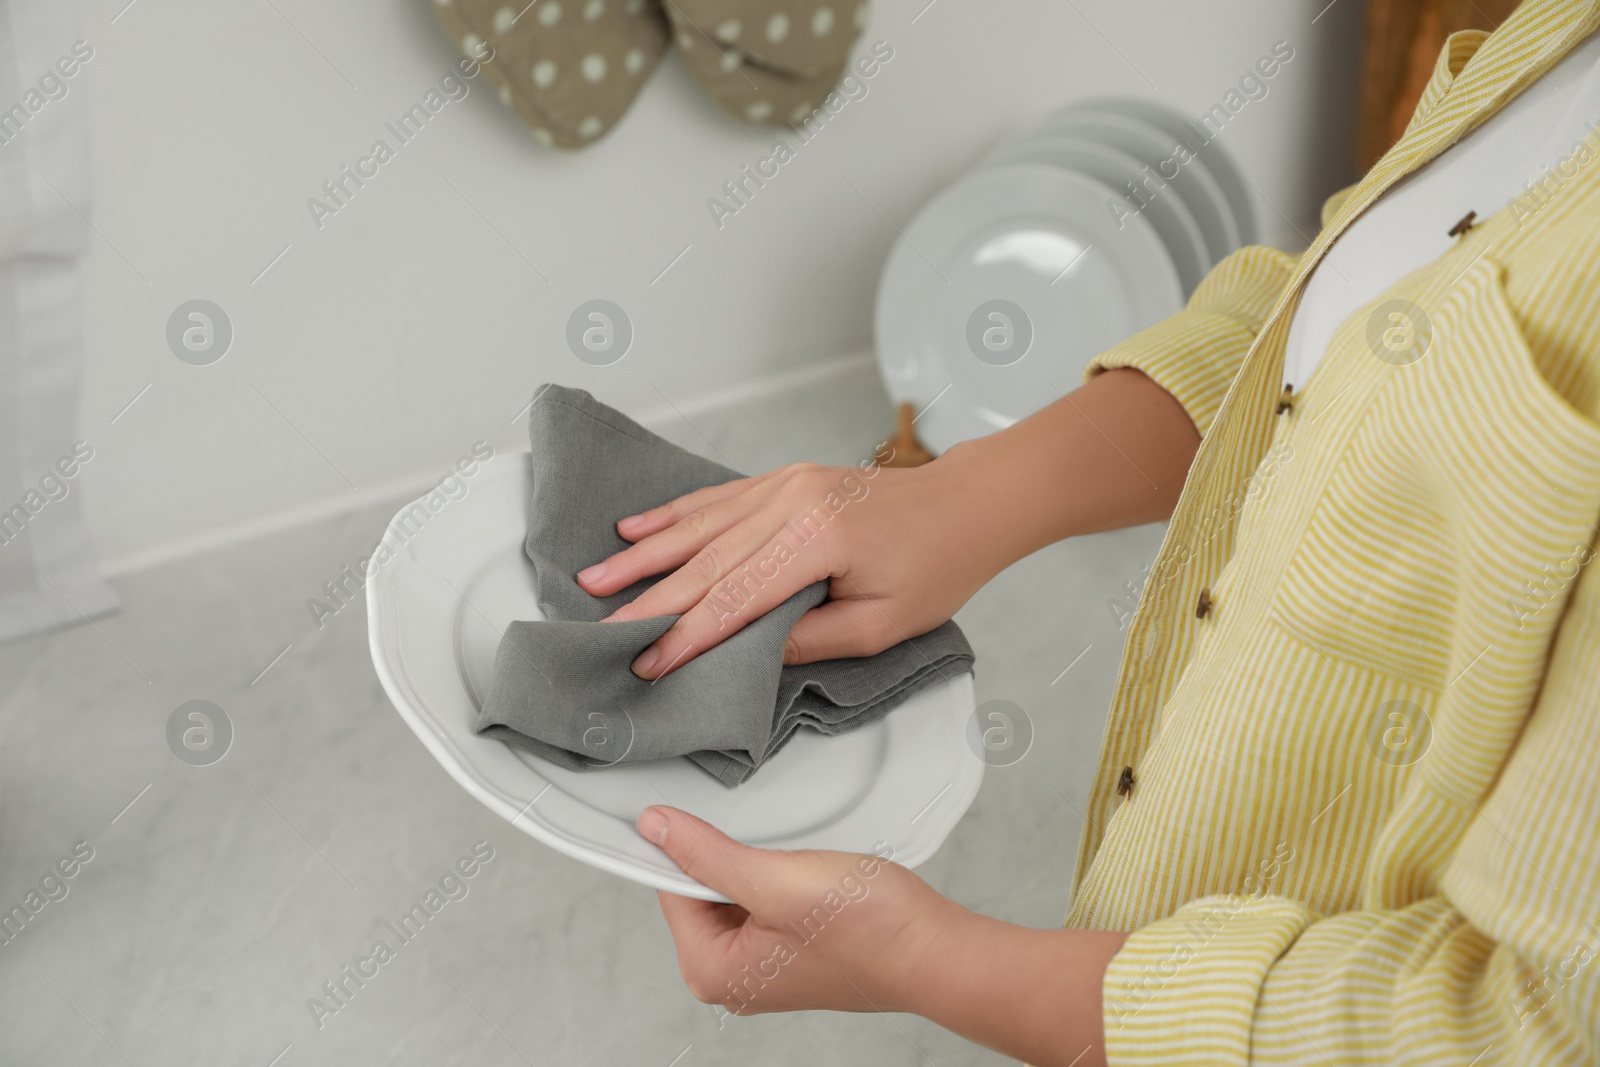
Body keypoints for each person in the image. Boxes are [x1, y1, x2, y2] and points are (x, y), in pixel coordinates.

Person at [576, 0, 1600, 1061]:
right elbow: (1346, 317)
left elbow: (1539, 1025)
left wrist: (940, 963)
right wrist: (960, 498)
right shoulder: (1561, 31)